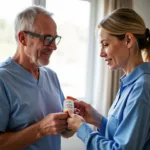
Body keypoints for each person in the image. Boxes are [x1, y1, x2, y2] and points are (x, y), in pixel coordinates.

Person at [67, 8, 150, 150]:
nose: (101, 53)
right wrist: (98, 120)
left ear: (128, 40)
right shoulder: (129, 84)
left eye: (105, 44)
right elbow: (123, 136)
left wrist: (81, 128)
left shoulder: (141, 88)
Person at [0, 6, 74, 150]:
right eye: (47, 38)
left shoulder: (51, 76)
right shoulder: (3, 79)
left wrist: (71, 122)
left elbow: (64, 132)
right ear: (23, 38)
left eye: (55, 39)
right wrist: (40, 129)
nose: (53, 47)